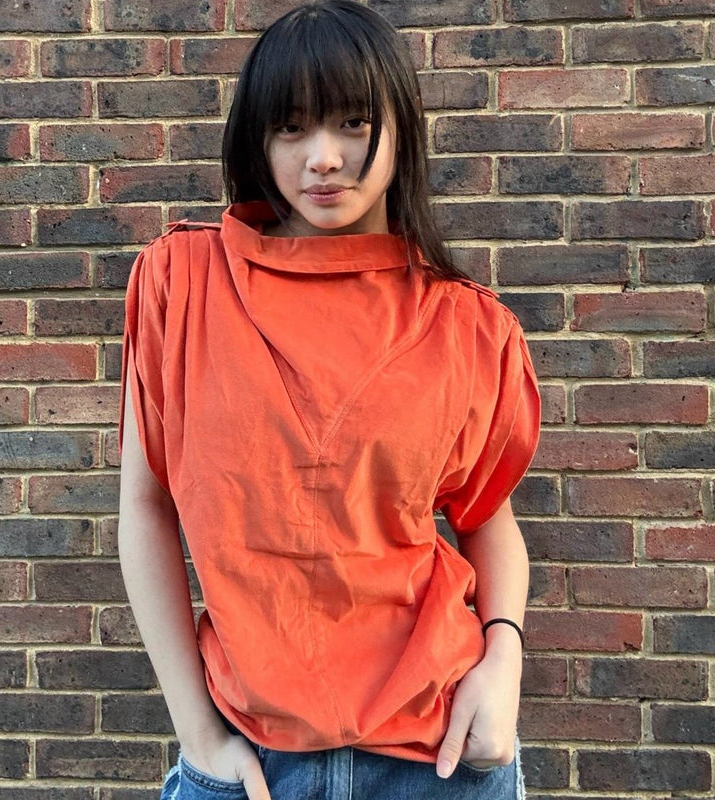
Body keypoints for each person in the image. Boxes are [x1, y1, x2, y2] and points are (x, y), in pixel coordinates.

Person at [117, 2, 540, 798]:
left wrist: (504, 661)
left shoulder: (468, 324)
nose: (323, 158)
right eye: (292, 127)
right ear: (257, 139)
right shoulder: (183, 284)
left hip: (441, 757)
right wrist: (196, 733)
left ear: (400, 129)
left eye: (352, 122)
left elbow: (488, 519)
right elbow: (145, 506)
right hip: (249, 760)